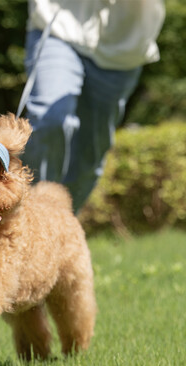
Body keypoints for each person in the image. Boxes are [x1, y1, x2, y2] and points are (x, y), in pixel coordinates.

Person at [22, 0, 165, 213]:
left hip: (122, 46)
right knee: (50, 116)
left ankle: (63, 224)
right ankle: (27, 215)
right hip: (59, 25)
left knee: (90, 150)